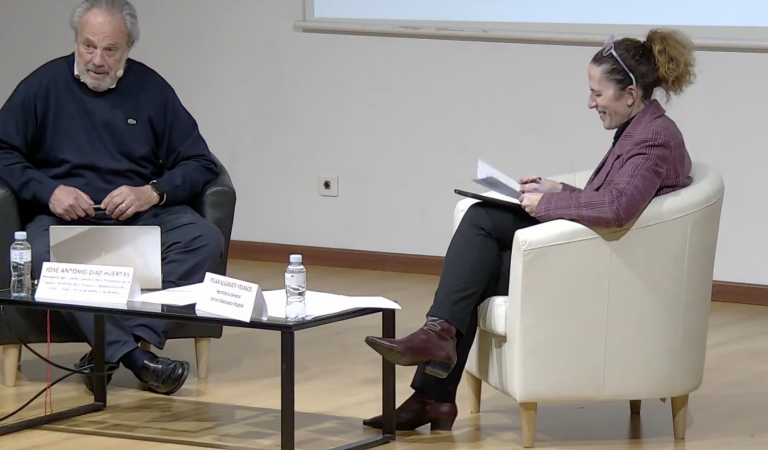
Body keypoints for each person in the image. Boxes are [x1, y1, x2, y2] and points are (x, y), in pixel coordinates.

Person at [362, 28, 697, 431]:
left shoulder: (653, 139)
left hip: (614, 271)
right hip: (604, 256)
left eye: (597, 93)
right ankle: (434, 377)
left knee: (481, 227)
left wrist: (548, 204)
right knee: (481, 246)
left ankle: (434, 377)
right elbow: (617, 198)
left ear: (629, 95)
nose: (590, 103)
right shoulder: (643, 127)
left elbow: (617, 208)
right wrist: (559, 190)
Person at [0, 0, 224, 395]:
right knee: (35, 254)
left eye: (110, 49)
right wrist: (49, 191)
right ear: (76, 40)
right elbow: (2, 151)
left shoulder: (151, 89)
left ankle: (108, 352)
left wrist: (151, 192)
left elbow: (199, 162)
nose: (97, 60)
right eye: (88, 46)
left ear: (129, 48)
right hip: (65, 221)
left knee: (204, 240)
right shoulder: (43, 86)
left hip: (138, 219)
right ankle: (138, 360)